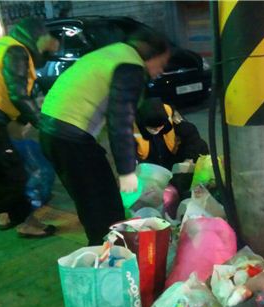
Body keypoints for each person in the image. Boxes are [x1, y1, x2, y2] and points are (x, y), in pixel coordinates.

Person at [39, 28, 170, 245]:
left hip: (54, 132)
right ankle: (109, 261)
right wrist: (126, 171)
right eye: (161, 64)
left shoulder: (114, 53)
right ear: (150, 56)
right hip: (71, 138)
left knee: (92, 204)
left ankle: (105, 253)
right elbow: (120, 121)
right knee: (104, 210)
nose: (160, 71)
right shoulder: (131, 67)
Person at [0, 17, 59, 237]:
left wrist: (22, 120)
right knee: (13, 172)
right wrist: (42, 124)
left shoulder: (5, 46)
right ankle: (25, 223)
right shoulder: (17, 51)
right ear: (36, 37)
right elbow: (18, 94)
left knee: (2, 170)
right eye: (46, 41)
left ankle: (4, 214)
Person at [135, 98, 209, 170]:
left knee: (201, 145)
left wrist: (188, 159)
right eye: (153, 128)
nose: (157, 130)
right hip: (150, 166)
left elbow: (190, 131)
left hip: (172, 158)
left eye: (160, 127)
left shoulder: (169, 113)